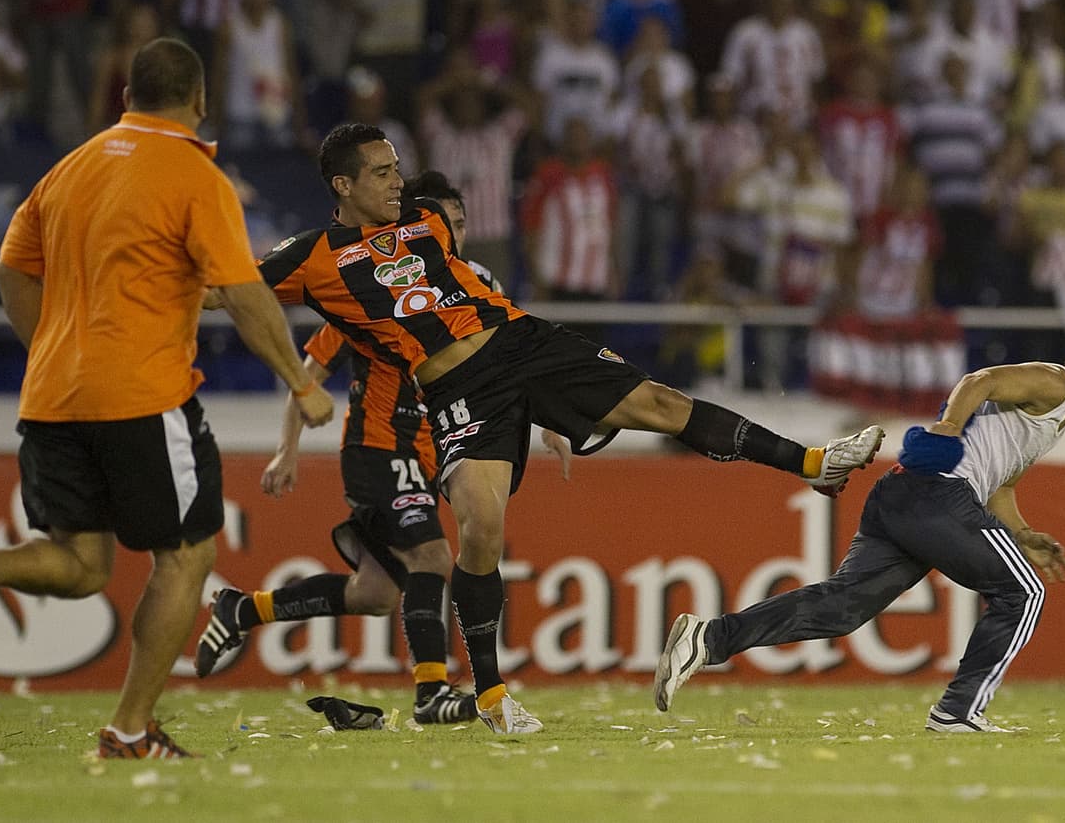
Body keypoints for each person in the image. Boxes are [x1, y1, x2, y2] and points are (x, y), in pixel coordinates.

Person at [248, 122, 885, 735]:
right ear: (342, 185)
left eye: (397, 169)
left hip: (526, 345)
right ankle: (492, 693)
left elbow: (447, 245)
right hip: (461, 391)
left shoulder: (426, 216)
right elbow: (231, 289)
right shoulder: (311, 257)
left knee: (659, 405)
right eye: (381, 173)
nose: (396, 181)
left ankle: (813, 462)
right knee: (479, 523)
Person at [0, 38, 335, 760]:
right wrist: (301, 383)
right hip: (144, 394)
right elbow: (242, 291)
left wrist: (52, 346)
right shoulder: (195, 175)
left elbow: (9, 268)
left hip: (52, 397)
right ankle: (130, 728)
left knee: (82, 565)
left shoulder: (69, 168)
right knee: (185, 556)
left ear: (124, 97)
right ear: (201, 101)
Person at [195, 171, 571, 725]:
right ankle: (431, 693)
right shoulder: (374, 281)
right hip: (379, 441)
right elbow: (313, 364)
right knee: (435, 557)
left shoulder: (478, 287)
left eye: (459, 224)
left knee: (374, 592)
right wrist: (287, 448)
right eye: (440, 222)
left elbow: (510, 361)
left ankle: (242, 608)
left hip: (431, 452)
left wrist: (549, 415)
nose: (450, 235)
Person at [654, 328, 1065, 732]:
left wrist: (1023, 533)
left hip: (902, 496)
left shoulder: (1056, 417)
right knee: (1023, 594)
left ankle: (708, 638)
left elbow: (998, 488)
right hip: (937, 493)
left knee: (840, 607)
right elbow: (980, 380)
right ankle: (958, 712)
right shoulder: (1058, 382)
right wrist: (947, 430)